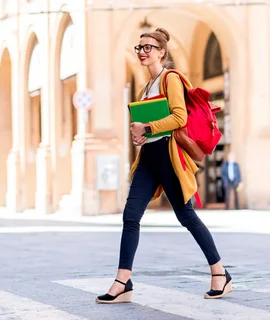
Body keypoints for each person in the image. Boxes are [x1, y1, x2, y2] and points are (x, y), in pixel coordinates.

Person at [96, 27, 232, 304]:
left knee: (186, 216)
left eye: (148, 47)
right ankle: (123, 281)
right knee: (130, 216)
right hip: (148, 158)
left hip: (169, 157)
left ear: (161, 52)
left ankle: (220, 273)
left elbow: (179, 117)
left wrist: (147, 125)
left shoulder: (170, 78)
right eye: (140, 47)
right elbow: (152, 126)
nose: (143, 52)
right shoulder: (147, 86)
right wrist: (140, 134)